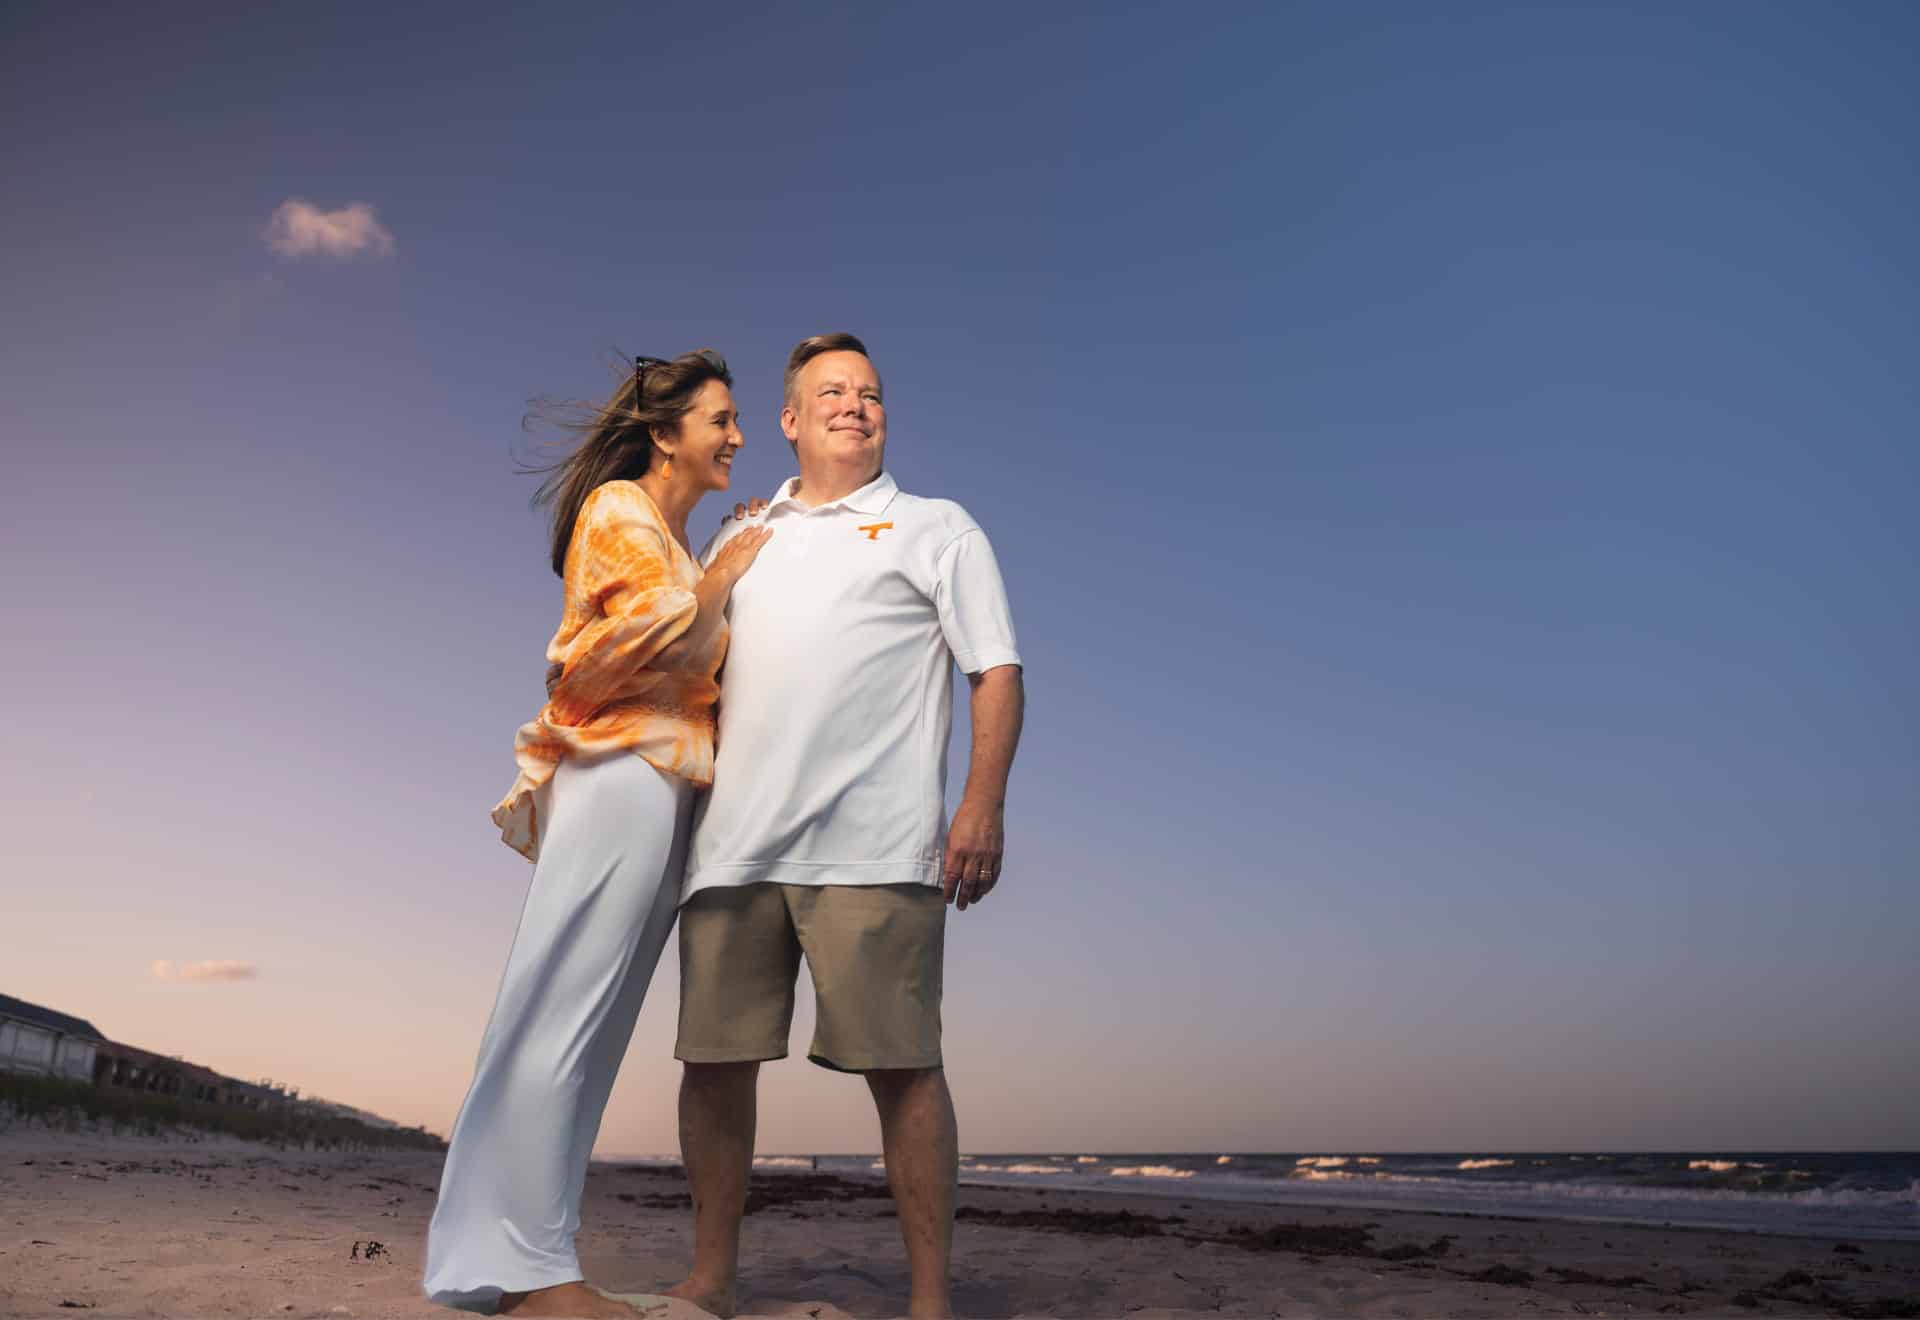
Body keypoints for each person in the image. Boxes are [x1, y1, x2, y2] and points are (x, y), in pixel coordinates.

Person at [664, 334, 1025, 1320]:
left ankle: (929, 1301)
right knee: (713, 1064)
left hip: (876, 845)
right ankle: (709, 1278)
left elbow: (995, 669)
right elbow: (687, 669)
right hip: (731, 845)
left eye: (868, 392)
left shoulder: (938, 527)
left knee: (905, 1069)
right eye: (830, 391)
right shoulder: (742, 531)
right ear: (789, 420)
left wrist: (981, 804)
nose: (853, 405)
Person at [423, 350, 772, 1318]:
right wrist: (729, 571)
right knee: (563, 1015)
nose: (737, 436)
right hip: (620, 777)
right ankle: (529, 1273)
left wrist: (718, 566)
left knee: (592, 1026)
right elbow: (660, 640)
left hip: (658, 786)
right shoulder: (620, 508)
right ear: (665, 433)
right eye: (720, 419)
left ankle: (520, 1260)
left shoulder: (672, 538)